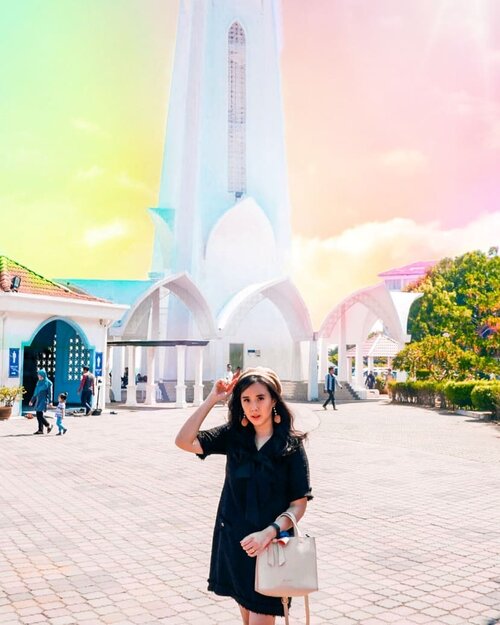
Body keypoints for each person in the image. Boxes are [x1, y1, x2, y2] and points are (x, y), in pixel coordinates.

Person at [175, 367, 313, 624]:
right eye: (246, 400)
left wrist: (269, 532)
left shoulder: (290, 446)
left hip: (272, 548)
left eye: (260, 398)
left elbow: (298, 505)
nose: (254, 407)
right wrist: (212, 399)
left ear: (273, 400)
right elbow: (184, 441)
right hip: (236, 543)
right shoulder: (233, 437)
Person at [29, 369, 53, 435]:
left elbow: (50, 393)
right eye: (38, 375)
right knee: (39, 414)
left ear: (43, 375)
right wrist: (32, 400)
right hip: (38, 400)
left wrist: (50, 402)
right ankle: (40, 430)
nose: (38, 376)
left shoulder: (49, 383)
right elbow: (35, 392)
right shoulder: (39, 382)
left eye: (40, 375)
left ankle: (48, 425)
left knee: (39, 415)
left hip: (43, 400)